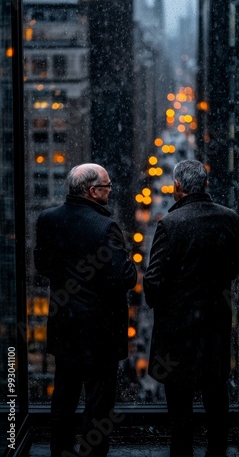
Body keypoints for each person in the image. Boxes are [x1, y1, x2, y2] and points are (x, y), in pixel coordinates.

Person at [34, 163, 137, 457]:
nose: (110, 190)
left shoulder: (47, 219)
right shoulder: (105, 226)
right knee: (98, 402)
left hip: (65, 325)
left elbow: (43, 266)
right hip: (100, 332)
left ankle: (60, 449)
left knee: (64, 395)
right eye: (107, 187)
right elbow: (124, 277)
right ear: (93, 192)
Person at [143, 159, 239, 457]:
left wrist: (167, 304)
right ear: (206, 185)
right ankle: (217, 450)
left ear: (178, 188)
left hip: (178, 332)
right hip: (215, 325)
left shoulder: (170, 225)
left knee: (180, 404)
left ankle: (183, 451)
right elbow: (238, 266)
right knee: (216, 395)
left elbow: (154, 281)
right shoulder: (230, 218)